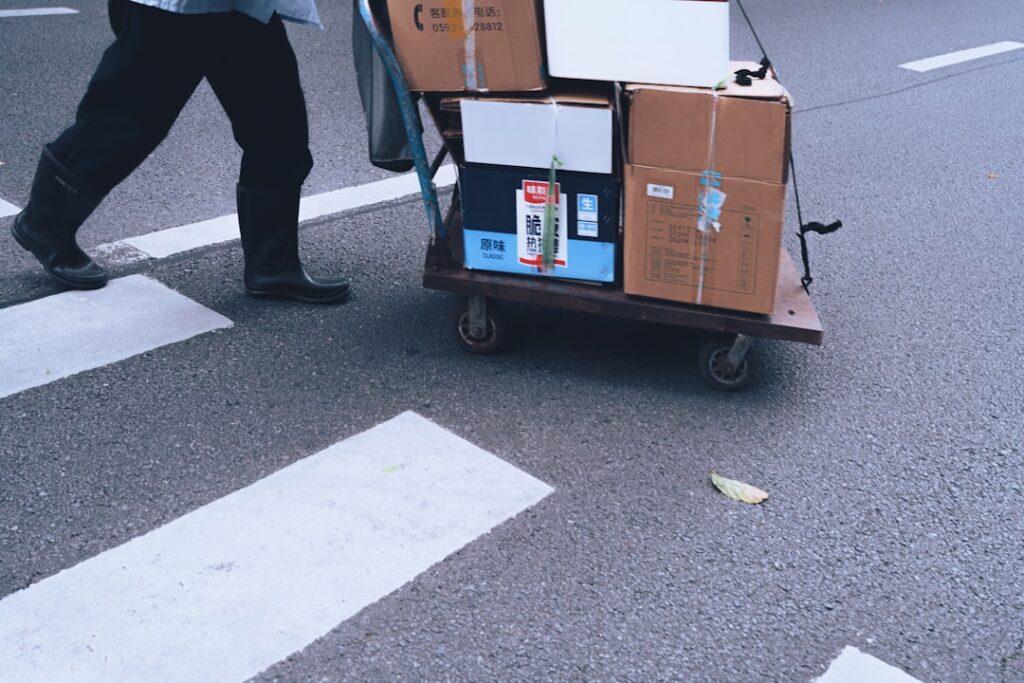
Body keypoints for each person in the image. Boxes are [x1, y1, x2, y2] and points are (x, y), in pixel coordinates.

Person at [10, 0, 350, 304]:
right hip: (174, 9)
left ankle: (273, 265)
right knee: (126, 120)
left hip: (240, 7)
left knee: (279, 127)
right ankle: (46, 221)